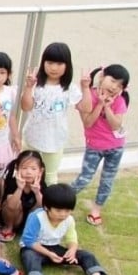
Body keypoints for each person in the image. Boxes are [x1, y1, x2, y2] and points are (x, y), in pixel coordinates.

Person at [20, 184, 126, 275]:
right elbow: (29, 241)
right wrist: (49, 254)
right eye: (58, 211)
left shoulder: (69, 220)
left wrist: (72, 250)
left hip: (54, 248)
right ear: (46, 207)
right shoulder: (37, 217)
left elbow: (72, 237)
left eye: (67, 211)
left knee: (86, 255)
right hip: (34, 248)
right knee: (30, 256)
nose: (63, 214)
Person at [71, 64, 131, 226]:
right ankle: (64, 199)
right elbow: (88, 123)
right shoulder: (88, 95)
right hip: (94, 147)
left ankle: (96, 209)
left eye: (119, 85)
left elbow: (116, 125)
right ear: (102, 76)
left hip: (116, 147)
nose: (114, 87)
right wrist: (99, 104)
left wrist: (107, 106)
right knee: (84, 178)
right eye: (113, 81)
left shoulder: (119, 101)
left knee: (107, 180)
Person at [20, 42, 84, 185]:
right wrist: (29, 87)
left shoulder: (69, 89)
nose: (54, 68)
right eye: (49, 62)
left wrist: (85, 88)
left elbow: (85, 108)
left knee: (49, 177)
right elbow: (25, 107)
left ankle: (48, 205)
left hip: (55, 140)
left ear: (67, 65)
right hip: (32, 137)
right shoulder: (37, 85)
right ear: (43, 63)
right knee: (24, 172)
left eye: (59, 63)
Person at [0, 150, 47, 241]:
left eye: (33, 169)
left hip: (29, 221)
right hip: (12, 218)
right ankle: (9, 227)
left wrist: (37, 192)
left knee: (42, 204)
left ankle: (30, 230)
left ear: (40, 171)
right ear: (17, 168)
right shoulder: (12, 182)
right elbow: (11, 206)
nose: (28, 172)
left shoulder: (42, 185)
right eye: (24, 168)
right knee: (14, 201)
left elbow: (44, 208)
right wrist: (19, 188)